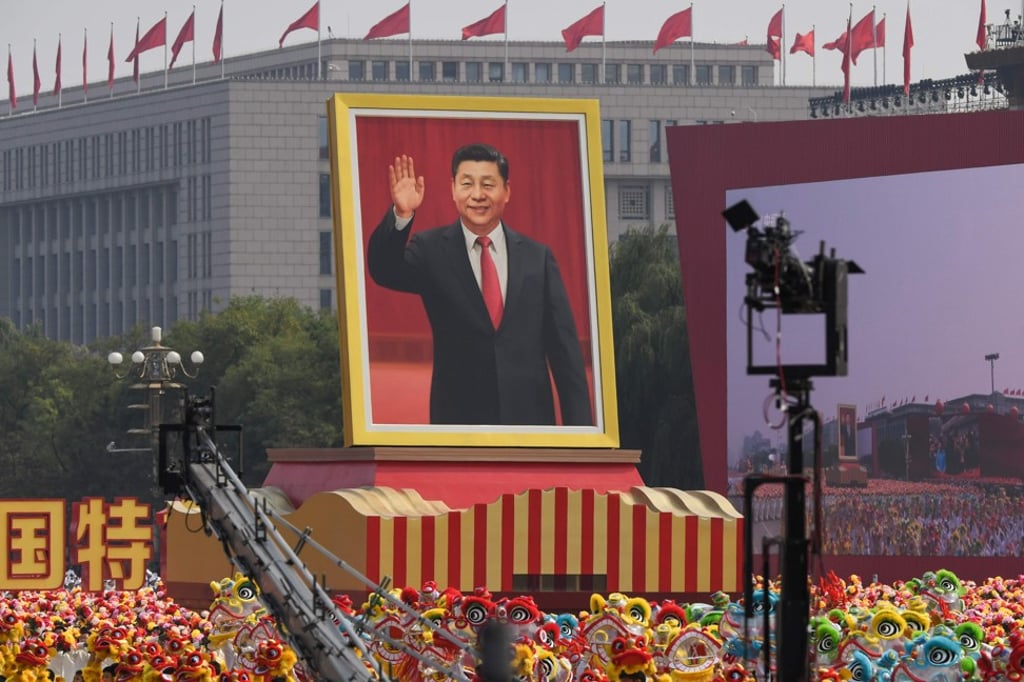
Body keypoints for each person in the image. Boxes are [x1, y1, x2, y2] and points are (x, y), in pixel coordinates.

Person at [367, 143, 593, 426]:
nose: (477, 195)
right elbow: (383, 270)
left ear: (506, 191)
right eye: (467, 184)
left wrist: (583, 437)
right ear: (452, 189)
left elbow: (566, 354)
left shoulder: (538, 258)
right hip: (459, 421)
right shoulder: (431, 250)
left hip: (530, 423)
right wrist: (401, 214)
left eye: (488, 184)